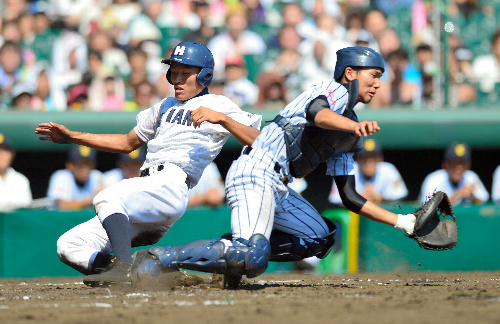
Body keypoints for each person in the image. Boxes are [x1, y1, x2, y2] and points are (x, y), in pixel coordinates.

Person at [135, 46, 422, 288]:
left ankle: (233, 250)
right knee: (253, 256)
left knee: (319, 238)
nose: (378, 83)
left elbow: (351, 197)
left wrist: (404, 222)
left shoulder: (348, 135)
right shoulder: (333, 90)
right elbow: (316, 113)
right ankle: (161, 257)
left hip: (279, 184)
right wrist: (355, 125)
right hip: (255, 168)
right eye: (374, 75)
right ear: (350, 73)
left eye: (380, 77)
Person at [35, 41, 262, 285]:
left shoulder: (220, 105)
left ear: (205, 76)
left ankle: (122, 268)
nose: (177, 79)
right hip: (145, 193)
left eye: (185, 73)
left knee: (106, 197)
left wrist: (223, 119)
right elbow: (126, 143)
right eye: (173, 72)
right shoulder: (164, 106)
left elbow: (260, 141)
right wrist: (73, 137)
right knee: (68, 245)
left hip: (172, 184)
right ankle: (140, 273)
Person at [329, 139, 408, 204]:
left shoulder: (388, 169)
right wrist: (357, 198)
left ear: (380, 159)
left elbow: (399, 198)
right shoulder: (347, 170)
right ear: (357, 159)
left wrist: (380, 198)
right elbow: (335, 201)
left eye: (373, 158)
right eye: (364, 158)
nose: (369, 162)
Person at [419, 142, 489, 205]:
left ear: (468, 165)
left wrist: (473, 195)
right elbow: (429, 208)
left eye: (462, 163)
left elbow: (484, 204)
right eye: (454, 163)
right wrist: (458, 194)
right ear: (446, 165)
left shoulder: (471, 177)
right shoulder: (434, 179)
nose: (459, 167)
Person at [46, 145, 104, 210]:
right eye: (81, 166)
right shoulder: (61, 177)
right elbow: (62, 205)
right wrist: (93, 199)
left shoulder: (97, 176)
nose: (86, 170)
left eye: (89, 165)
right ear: (70, 165)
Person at [0, 133, 32, 212]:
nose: (1, 155)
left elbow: (26, 211)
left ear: (12, 154)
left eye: (5, 150)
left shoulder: (21, 180)